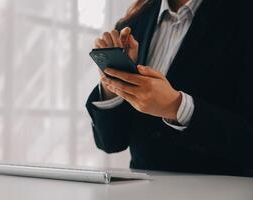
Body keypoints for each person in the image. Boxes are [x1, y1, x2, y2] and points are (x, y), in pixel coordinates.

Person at [86, 0, 253, 176]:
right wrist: (114, 84)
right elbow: (110, 142)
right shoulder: (133, 21)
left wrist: (178, 107)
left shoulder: (244, 16)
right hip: (141, 191)